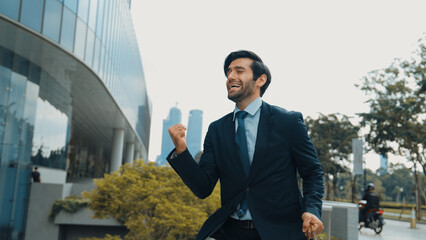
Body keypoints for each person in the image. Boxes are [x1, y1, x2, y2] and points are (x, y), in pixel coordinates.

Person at [167, 50, 324, 240]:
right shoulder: (217, 130)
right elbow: (203, 187)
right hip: (231, 231)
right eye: (228, 72)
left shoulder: (288, 122)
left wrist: (312, 210)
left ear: (260, 80)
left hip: (280, 231)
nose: (230, 76)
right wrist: (182, 151)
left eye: (239, 71)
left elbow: (312, 172)